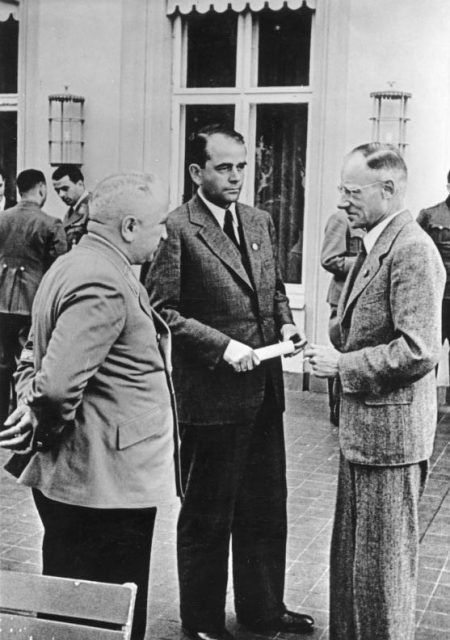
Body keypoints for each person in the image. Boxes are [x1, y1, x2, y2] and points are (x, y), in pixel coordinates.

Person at [147, 124, 314, 640]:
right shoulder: (176, 228)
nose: (237, 176)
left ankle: (263, 609)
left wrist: (285, 323)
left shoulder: (259, 220)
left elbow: (275, 289)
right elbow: (160, 309)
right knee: (207, 515)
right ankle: (200, 621)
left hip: (263, 395)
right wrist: (222, 347)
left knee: (265, 508)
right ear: (197, 172)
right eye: (224, 167)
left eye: (242, 166)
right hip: (212, 399)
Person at [0, 173, 180, 640]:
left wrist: (28, 405)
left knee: (69, 599)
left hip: (85, 478)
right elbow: (58, 386)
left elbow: (31, 355)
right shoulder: (103, 279)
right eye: (158, 224)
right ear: (127, 227)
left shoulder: (72, 264)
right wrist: (40, 417)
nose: (164, 233)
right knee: (105, 609)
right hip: (103, 482)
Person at [305, 143, 445, 640]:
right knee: (353, 570)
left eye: (351, 191)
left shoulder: (410, 249)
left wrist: (343, 365)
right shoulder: (375, 242)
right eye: (341, 189)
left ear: (388, 190)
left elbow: (419, 349)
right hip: (366, 433)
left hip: (390, 440)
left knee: (382, 577)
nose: (342, 201)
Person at [0, 169, 66, 427]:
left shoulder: (2, 219)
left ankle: (3, 419)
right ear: (41, 189)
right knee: (31, 360)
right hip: (34, 303)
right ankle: (26, 415)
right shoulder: (51, 224)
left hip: (2, 302)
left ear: (17, 190)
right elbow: (60, 265)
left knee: (3, 363)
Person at [320, 211, 365, 424]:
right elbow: (329, 259)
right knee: (341, 353)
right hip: (342, 299)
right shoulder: (341, 219)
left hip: (361, 297)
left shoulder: (371, 220)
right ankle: (336, 408)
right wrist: (365, 262)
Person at [417, 171, 450, 395]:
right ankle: (426, 402)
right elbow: (414, 251)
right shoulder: (430, 216)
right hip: (435, 297)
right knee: (430, 351)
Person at [52, 164, 90, 247]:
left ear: (80, 184)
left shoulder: (93, 207)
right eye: (57, 191)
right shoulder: (71, 212)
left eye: (65, 189)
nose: (61, 194)